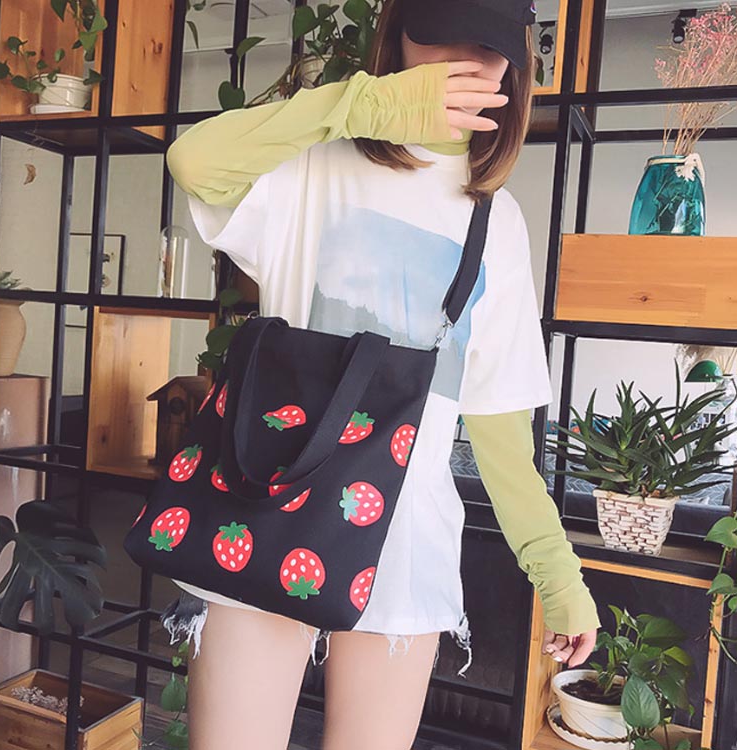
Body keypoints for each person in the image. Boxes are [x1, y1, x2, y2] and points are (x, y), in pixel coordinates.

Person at [163, 0, 601, 747]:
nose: (462, 61)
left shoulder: (496, 222)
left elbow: (499, 434)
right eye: (442, 34)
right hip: (265, 506)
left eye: (487, 46)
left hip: (405, 541)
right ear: (396, 35)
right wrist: (363, 105)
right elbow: (193, 161)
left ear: (515, 66)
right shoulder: (311, 167)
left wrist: (558, 576)